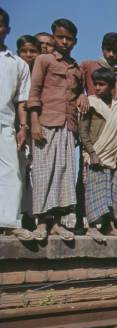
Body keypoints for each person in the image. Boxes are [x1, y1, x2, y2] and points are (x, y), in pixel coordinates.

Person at [28, 18, 85, 241]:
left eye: (68, 38)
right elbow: (34, 92)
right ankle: (42, 223)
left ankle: (57, 224)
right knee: (44, 173)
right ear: (53, 37)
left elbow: (79, 93)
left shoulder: (76, 68)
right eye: (60, 37)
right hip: (46, 123)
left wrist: (81, 96)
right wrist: (34, 122)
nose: (64, 41)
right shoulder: (44, 60)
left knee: (62, 174)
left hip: (67, 126)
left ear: (75, 41)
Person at [79, 68, 117, 242]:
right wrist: (92, 153)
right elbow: (83, 131)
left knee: (111, 193)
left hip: (113, 158)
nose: (98, 88)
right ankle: (92, 227)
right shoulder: (91, 103)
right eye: (96, 85)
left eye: (102, 84)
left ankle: (109, 226)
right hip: (96, 156)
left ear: (111, 87)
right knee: (94, 192)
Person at [0, 8, 34, 241]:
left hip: (5, 123)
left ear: (7, 29)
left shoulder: (17, 63)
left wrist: (23, 127)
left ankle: (9, 222)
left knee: (12, 172)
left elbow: (22, 99)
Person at [16, 35, 40, 231]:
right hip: (15, 128)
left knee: (31, 173)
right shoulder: (15, 69)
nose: (29, 55)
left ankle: (29, 215)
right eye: (25, 51)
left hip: (36, 130)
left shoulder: (40, 74)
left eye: (33, 51)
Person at [81, 32, 117, 98]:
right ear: (102, 49)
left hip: (116, 107)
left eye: (115, 51)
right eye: (108, 50)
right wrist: (81, 96)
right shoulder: (88, 66)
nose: (111, 54)